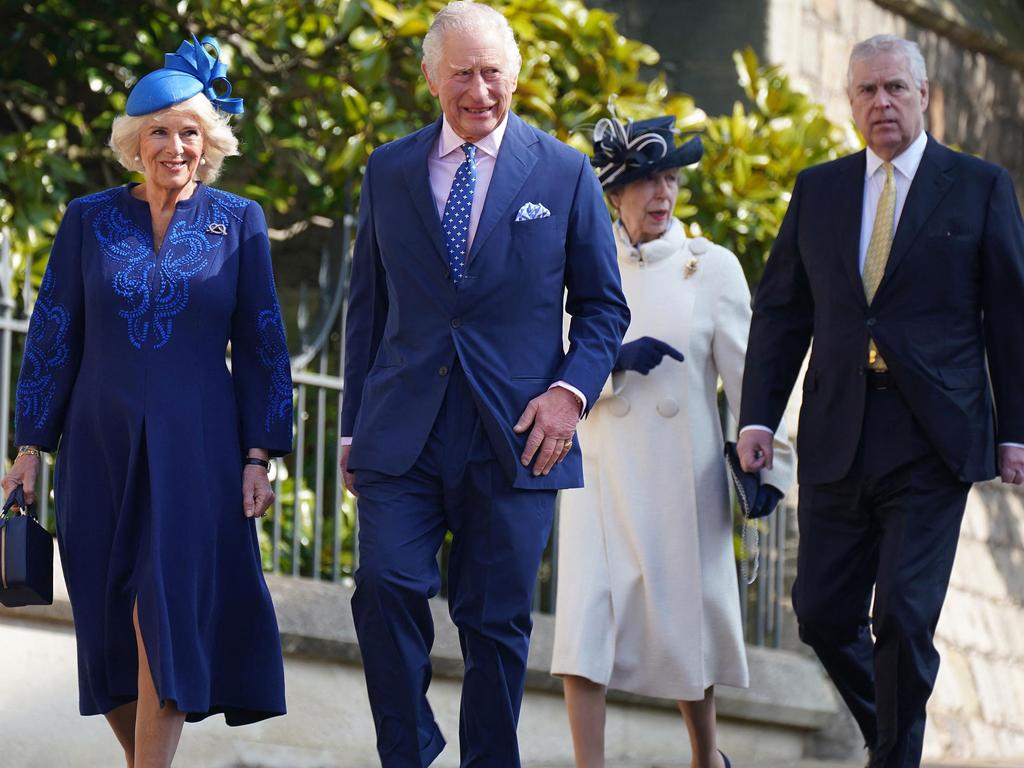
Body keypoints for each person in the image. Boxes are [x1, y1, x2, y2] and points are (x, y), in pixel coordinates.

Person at [338, 2, 629, 765]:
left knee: (494, 625)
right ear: (432, 78)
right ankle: (408, 747)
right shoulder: (390, 168)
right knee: (383, 585)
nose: (479, 89)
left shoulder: (563, 172)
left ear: (515, 76)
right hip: (404, 428)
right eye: (461, 72)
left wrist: (569, 395)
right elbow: (367, 305)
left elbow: (603, 308)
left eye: (492, 71)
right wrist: (350, 426)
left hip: (518, 437)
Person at [1, 35, 292, 767]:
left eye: (189, 131)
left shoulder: (239, 220)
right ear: (134, 143)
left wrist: (261, 453)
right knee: (105, 626)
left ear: (209, 140)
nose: (174, 146)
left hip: (198, 451)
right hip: (95, 447)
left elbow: (263, 343)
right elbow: (53, 335)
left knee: (161, 615)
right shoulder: (86, 220)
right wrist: (29, 447)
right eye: (158, 131)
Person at [736, 34, 1024, 767]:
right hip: (838, 428)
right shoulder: (819, 189)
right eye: (866, 90)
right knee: (821, 616)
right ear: (851, 102)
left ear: (925, 95)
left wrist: (1016, 430)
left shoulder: (979, 185)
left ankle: (894, 756)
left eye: (895, 87)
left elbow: (1010, 316)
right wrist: (758, 416)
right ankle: (891, 736)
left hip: (933, 435)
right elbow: (782, 312)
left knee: (902, 614)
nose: (882, 102)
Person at [549, 115, 795, 768]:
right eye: (645, 181)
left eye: (670, 179)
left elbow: (751, 381)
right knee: (584, 625)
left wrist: (767, 464)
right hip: (598, 465)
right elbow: (547, 362)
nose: (662, 194)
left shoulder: (711, 268)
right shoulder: (577, 262)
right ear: (614, 192)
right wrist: (608, 363)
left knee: (686, 620)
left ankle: (705, 756)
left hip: (680, 478)